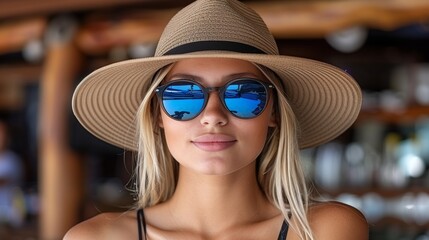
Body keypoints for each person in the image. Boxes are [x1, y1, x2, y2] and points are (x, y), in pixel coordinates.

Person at [65, 0, 368, 239]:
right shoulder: (95, 237)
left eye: (244, 93)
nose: (212, 116)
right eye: (182, 94)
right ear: (157, 113)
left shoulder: (327, 231)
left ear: (274, 111)